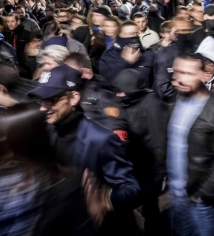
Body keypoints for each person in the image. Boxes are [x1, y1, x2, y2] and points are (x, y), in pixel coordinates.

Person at [28, 64, 141, 233]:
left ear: (73, 98)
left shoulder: (101, 139)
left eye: (51, 100)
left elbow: (132, 190)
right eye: (41, 101)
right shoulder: (47, 131)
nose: (43, 108)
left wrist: (107, 201)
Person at [168, 54, 214, 236]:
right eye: (177, 72)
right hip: (177, 196)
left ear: (203, 75)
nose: (179, 78)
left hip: (200, 201)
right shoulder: (177, 100)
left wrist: (203, 194)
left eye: (187, 73)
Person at [110, 69, 167, 235]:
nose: (119, 95)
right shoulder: (123, 103)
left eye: (123, 92)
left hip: (148, 165)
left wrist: (160, 173)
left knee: (150, 204)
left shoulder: (151, 103)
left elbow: (159, 141)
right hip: (131, 162)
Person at [99, 21, 155, 88]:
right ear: (119, 35)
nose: (132, 37)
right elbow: (107, 79)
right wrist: (126, 62)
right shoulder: (109, 55)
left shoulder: (147, 54)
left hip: (144, 96)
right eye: (127, 34)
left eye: (134, 34)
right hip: (118, 96)